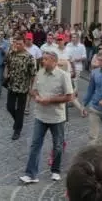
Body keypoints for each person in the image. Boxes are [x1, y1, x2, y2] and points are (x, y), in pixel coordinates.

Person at [19, 51, 73, 183]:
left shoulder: (63, 76)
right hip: (40, 115)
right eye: (43, 59)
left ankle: (55, 170)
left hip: (56, 117)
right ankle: (31, 174)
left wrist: (50, 100)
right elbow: (33, 90)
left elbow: (69, 96)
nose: (43, 61)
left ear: (54, 61)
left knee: (58, 145)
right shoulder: (40, 73)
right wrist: (36, 96)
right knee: (35, 144)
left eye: (46, 59)